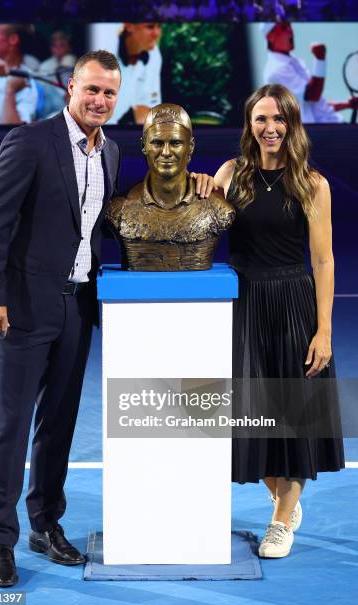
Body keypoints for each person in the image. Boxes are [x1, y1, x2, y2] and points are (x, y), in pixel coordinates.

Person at [0, 50, 122, 588]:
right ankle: (0, 541)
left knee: (59, 424)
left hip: (78, 306)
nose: (100, 101)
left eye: (109, 93)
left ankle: (45, 523)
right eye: (92, 90)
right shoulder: (31, 141)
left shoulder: (112, 152)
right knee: (10, 428)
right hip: (25, 308)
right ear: (71, 89)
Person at [214, 83, 344, 558]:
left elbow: (324, 260)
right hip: (243, 302)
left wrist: (323, 329)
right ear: (249, 125)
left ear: (292, 123)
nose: (270, 128)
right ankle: (283, 500)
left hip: (292, 302)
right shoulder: (230, 174)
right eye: (261, 119)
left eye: (278, 119)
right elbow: (200, 224)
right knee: (248, 415)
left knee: (291, 416)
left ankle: (280, 520)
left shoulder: (312, 183)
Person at [107, 103, 235, 271]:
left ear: (191, 147)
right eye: (157, 143)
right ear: (144, 146)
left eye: (175, 143)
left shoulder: (219, 210)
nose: (166, 152)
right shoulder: (119, 210)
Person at [262, 21, 358, 123]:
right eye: (284, 28)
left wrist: (348, 105)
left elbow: (317, 106)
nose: (291, 31)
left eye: (290, 26)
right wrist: (320, 59)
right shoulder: (276, 70)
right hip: (323, 135)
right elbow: (313, 95)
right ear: (270, 37)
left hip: (336, 127)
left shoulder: (293, 62)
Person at [95, 22, 162, 125]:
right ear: (129, 25)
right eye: (150, 27)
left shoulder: (154, 55)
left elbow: (144, 107)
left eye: (159, 26)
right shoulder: (101, 45)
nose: (157, 33)